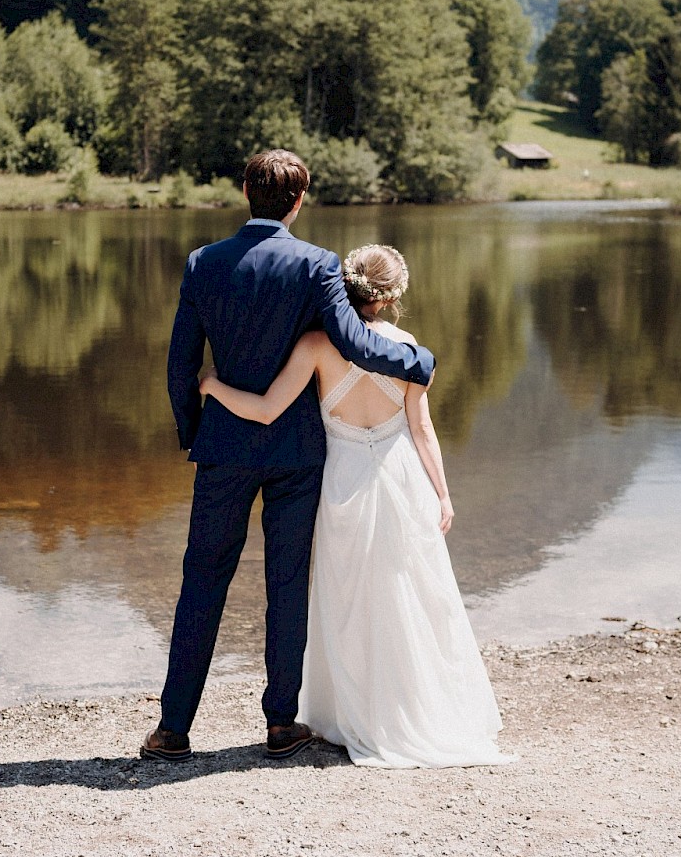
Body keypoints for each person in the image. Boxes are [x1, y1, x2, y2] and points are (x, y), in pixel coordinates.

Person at [141, 150, 435, 763]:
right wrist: (419, 364)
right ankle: (280, 724)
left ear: (245, 189)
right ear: (299, 202)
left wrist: (193, 432)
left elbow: (179, 366)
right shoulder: (317, 266)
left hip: (222, 446)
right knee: (286, 584)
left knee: (202, 582)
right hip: (296, 452)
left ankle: (173, 730)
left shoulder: (203, 264)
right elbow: (354, 343)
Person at [200, 243, 510, 769]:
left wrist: (211, 385)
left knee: (348, 600)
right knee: (409, 595)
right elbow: (422, 430)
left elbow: (267, 410)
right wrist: (442, 492)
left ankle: (354, 713)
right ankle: (412, 710)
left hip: (343, 482)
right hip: (401, 478)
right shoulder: (407, 348)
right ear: (391, 298)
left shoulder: (317, 345)